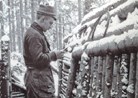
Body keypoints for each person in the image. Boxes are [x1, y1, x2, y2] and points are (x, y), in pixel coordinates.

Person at [23, 4, 64, 98]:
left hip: (38, 79)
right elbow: (38, 59)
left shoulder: (36, 33)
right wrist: (54, 55)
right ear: (42, 19)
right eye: (50, 23)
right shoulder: (34, 35)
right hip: (38, 80)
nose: (50, 27)